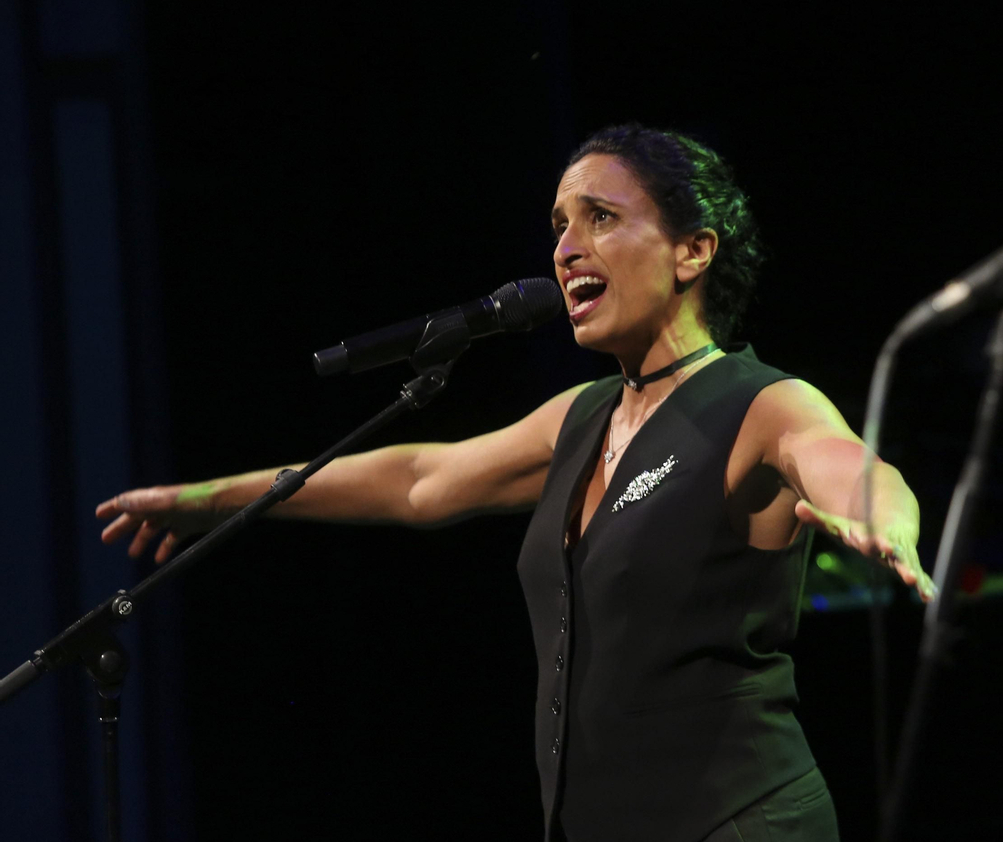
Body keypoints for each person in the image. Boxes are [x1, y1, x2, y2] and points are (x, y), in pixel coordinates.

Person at [98, 123, 934, 842]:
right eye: (561, 225)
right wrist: (214, 499)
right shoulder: (583, 416)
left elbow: (847, 462)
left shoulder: (755, 401)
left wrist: (882, 519)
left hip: (741, 822)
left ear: (693, 249)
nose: (568, 248)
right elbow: (421, 478)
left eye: (602, 219)